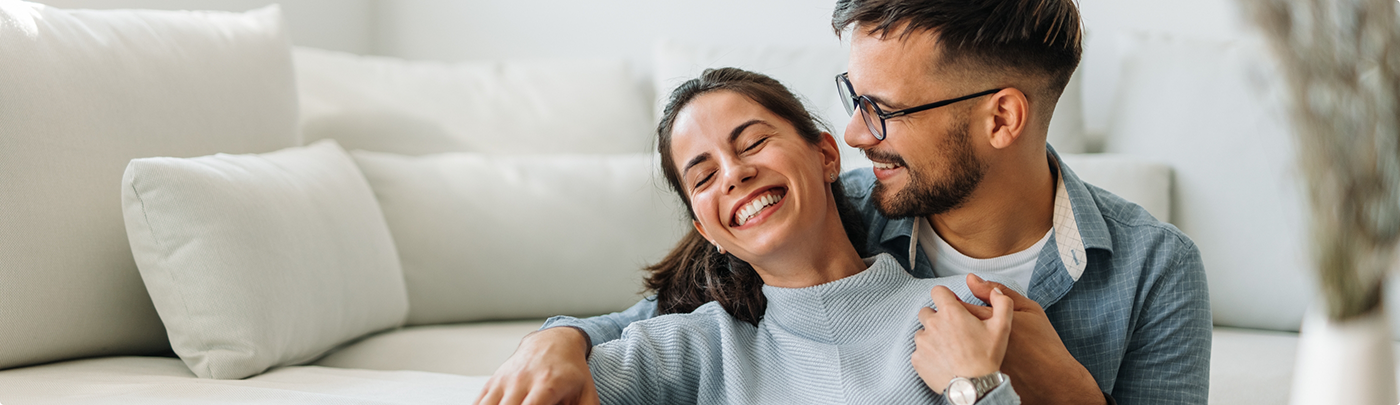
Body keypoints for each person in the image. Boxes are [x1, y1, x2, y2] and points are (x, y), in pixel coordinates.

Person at [477, 0, 1211, 404]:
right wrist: (556, 339)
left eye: (884, 109)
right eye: (852, 101)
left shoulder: (1155, 270)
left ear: (1001, 119)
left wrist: (1064, 392)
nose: (856, 133)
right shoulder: (842, 206)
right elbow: (649, 323)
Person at [579, 67, 1023, 405]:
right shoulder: (693, 349)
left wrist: (976, 386)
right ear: (706, 230)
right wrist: (556, 341)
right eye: (705, 176)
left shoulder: (966, 312)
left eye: (752, 143)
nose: (734, 174)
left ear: (827, 156)